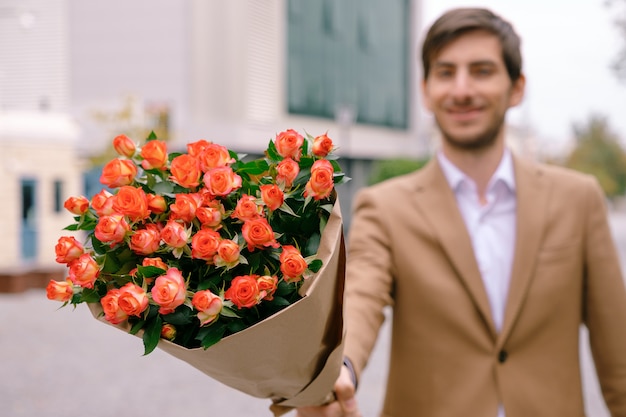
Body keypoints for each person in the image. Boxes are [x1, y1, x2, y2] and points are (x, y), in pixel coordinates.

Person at [296, 7, 626, 417]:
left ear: (517, 87)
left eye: (482, 71)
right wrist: (339, 372)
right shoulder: (385, 207)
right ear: (426, 89)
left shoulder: (579, 200)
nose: (462, 89)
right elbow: (360, 301)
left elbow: (619, 357)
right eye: (446, 72)